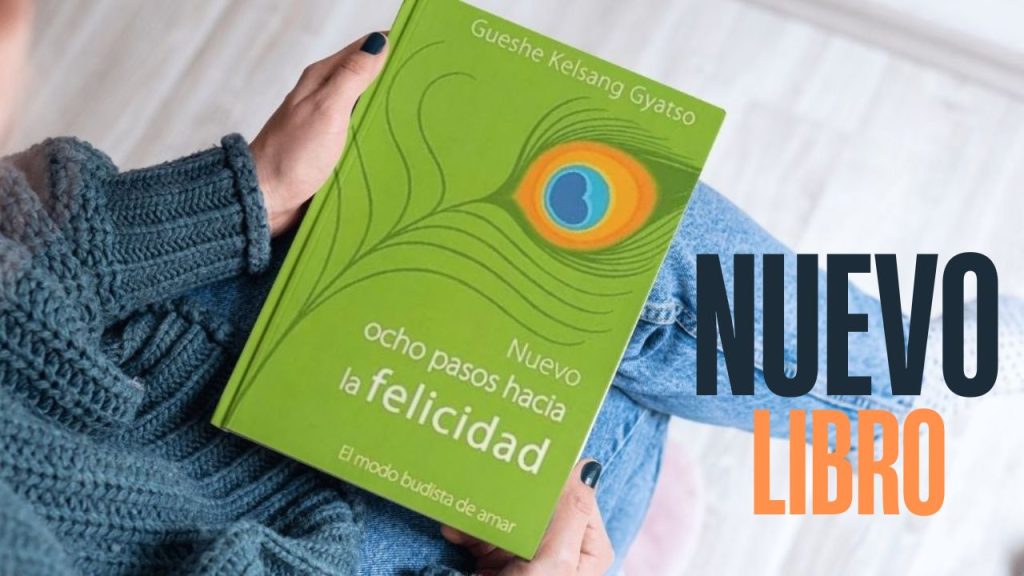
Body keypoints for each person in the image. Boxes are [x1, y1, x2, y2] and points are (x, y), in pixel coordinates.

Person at [1, 25, 1019, 576]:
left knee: (572, 186)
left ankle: (888, 370)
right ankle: (902, 377)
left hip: (159, 344)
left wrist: (247, 192)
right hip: (372, 549)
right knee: (618, 356)